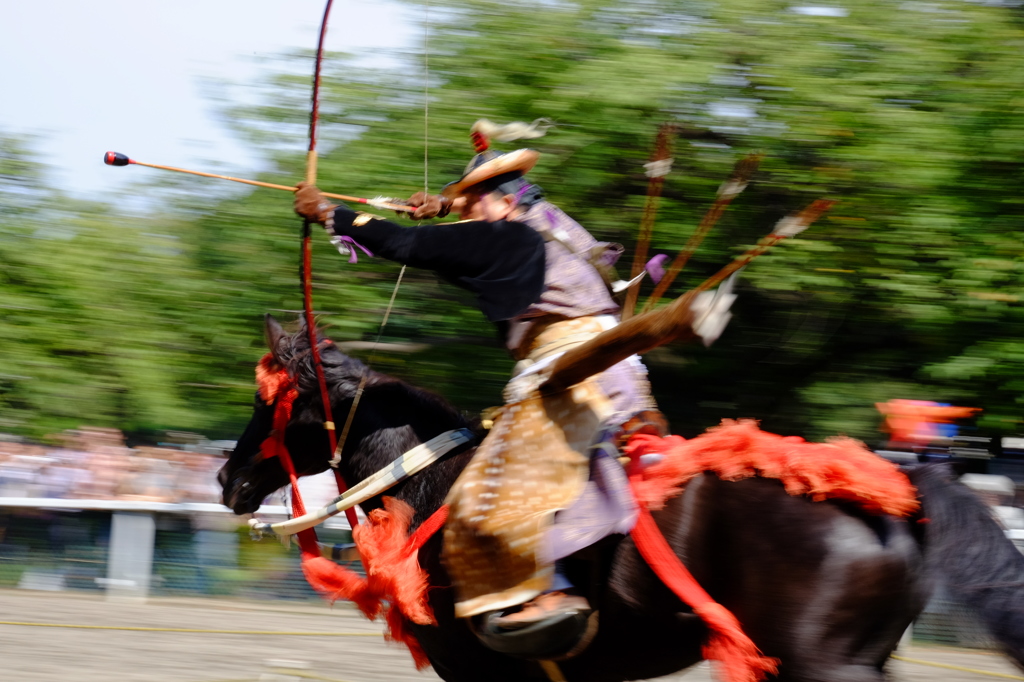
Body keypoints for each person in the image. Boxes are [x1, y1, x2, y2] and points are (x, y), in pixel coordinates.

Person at [294, 120, 731, 629]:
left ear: (503, 201)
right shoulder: (550, 224)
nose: (468, 213)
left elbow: (411, 247)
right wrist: (445, 205)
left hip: (573, 377)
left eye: (472, 202)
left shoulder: (505, 236)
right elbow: (463, 245)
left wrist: (329, 212)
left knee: (488, 491)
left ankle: (550, 593)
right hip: (622, 379)